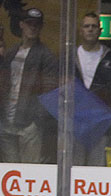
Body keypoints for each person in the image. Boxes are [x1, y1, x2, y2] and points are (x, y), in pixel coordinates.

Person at [0, 7, 57, 164]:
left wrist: (36, 121)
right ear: (21, 25)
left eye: (36, 25)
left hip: (29, 125)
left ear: (41, 27)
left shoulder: (46, 56)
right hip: (7, 120)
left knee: (30, 173)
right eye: (29, 23)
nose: (33, 27)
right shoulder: (11, 53)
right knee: (10, 175)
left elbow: (49, 92)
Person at [74, 11, 111, 166]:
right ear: (81, 30)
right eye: (86, 26)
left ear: (100, 30)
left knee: (96, 170)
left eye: (94, 26)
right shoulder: (69, 56)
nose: (90, 29)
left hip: (101, 126)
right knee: (74, 170)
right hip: (75, 125)